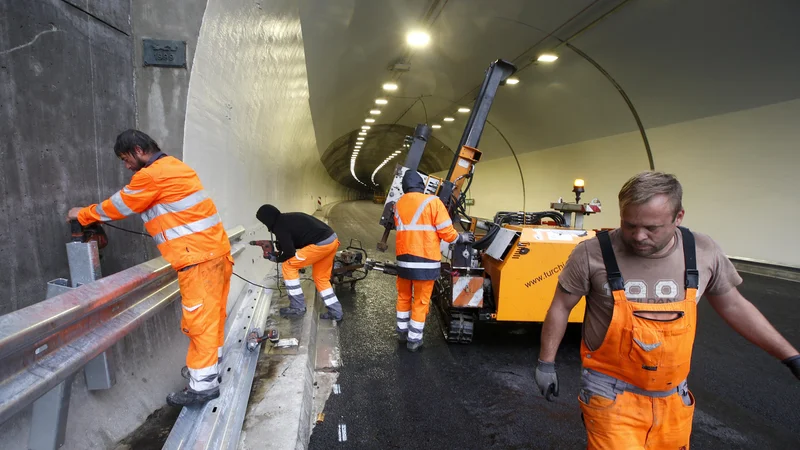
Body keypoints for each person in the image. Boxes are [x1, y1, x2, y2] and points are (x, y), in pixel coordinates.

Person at [534, 171, 800, 449]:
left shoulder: (702, 251)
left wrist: (790, 356)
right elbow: (561, 307)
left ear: (679, 217)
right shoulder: (592, 253)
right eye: (629, 224)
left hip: (673, 397)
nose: (638, 236)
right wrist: (546, 363)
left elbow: (734, 305)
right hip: (609, 394)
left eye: (652, 228)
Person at [68, 129, 232, 407]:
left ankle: (202, 387)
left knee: (199, 322)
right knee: (213, 316)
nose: (126, 165)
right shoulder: (175, 166)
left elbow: (118, 206)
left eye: (125, 158)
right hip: (217, 253)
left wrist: (81, 214)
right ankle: (209, 369)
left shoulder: (152, 175)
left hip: (198, 261)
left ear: (138, 150)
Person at [393, 170, 474, 352]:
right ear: (422, 185)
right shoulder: (433, 202)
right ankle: (414, 340)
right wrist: (461, 239)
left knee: (404, 296)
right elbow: (447, 233)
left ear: (404, 186)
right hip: (425, 261)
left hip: (404, 261)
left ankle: (402, 333)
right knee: (421, 301)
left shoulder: (398, 204)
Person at [255, 204, 344, 321]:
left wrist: (277, 259)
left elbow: (290, 253)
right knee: (320, 277)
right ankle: (336, 312)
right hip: (331, 240)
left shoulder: (279, 226)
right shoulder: (287, 219)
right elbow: (297, 239)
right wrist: (281, 250)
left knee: (288, 266)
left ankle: (297, 307)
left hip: (320, 244)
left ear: (267, 219)